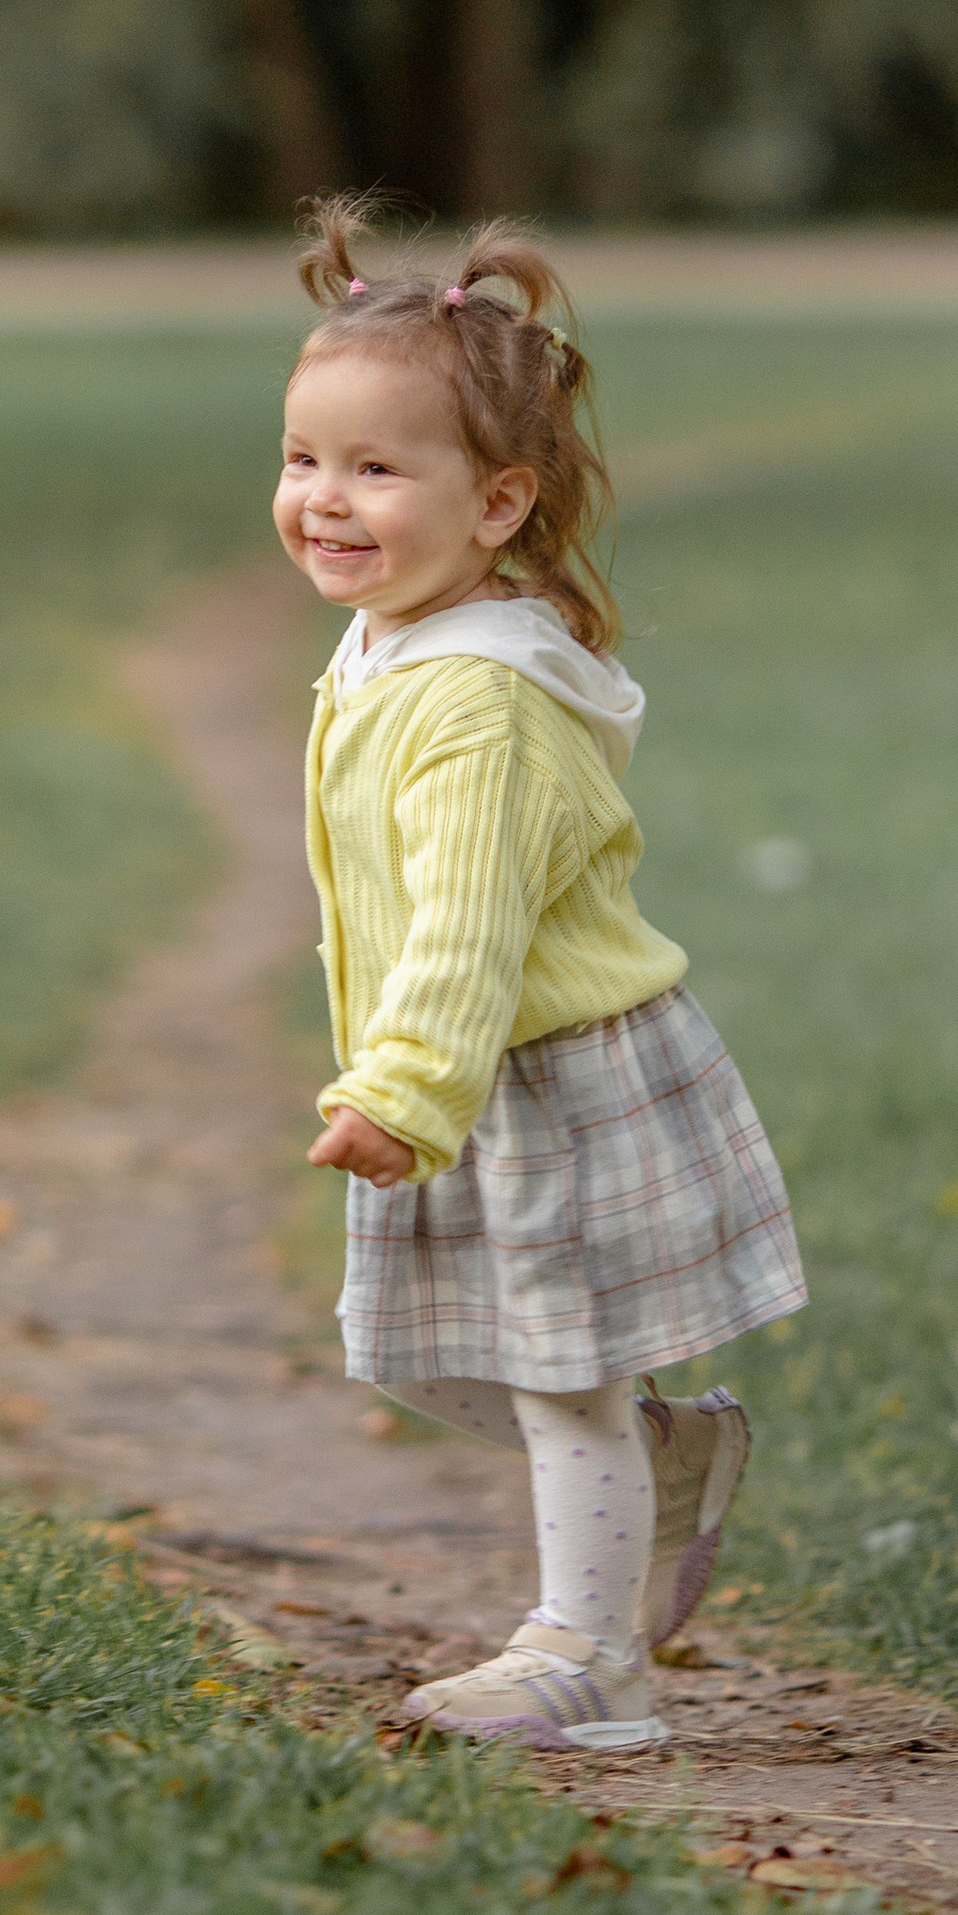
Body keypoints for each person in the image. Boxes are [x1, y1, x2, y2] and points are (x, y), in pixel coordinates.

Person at [277, 199, 808, 1749]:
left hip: (543, 1073)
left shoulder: (484, 702)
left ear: (500, 500)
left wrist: (400, 1089)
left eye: (378, 468)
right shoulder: (391, 639)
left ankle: (591, 1661)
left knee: (553, 1372)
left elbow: (468, 928)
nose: (326, 498)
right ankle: (662, 1453)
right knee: (432, 1354)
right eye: (306, 459)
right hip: (467, 1077)